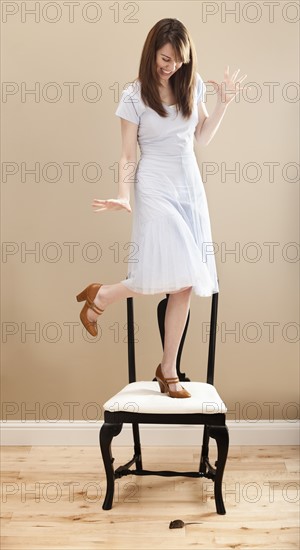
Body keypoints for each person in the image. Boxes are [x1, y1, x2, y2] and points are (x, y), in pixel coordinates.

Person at [76, 18, 248, 398]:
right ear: (153, 50)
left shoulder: (192, 84)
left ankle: (165, 366)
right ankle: (102, 296)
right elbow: (127, 153)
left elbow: (201, 137)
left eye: (179, 61)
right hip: (153, 184)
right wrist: (123, 194)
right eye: (166, 58)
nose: (171, 67)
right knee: (163, 269)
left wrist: (224, 104)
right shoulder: (134, 95)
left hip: (188, 185)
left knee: (184, 280)